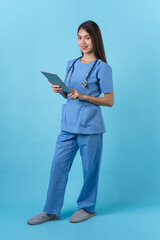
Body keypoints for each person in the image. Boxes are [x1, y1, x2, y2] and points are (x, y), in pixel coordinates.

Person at [27, 20, 114, 225]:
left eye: (87, 37)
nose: (82, 42)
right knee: (58, 165)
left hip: (90, 127)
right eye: (79, 37)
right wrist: (61, 91)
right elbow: (70, 96)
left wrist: (84, 96)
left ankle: (88, 207)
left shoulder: (103, 68)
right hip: (68, 125)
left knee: (90, 169)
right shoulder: (72, 64)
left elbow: (109, 101)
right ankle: (51, 211)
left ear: (95, 39)